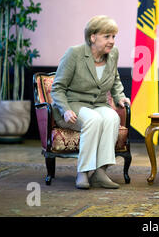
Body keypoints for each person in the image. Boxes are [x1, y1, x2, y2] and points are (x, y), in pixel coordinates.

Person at [51, 15, 131, 190]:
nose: (112, 41)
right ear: (93, 37)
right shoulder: (75, 54)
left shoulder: (112, 54)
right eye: (107, 36)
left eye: (114, 37)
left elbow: (115, 79)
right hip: (73, 106)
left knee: (111, 118)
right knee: (93, 119)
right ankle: (83, 172)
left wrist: (119, 96)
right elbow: (57, 88)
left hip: (98, 104)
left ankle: (100, 173)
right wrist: (65, 109)